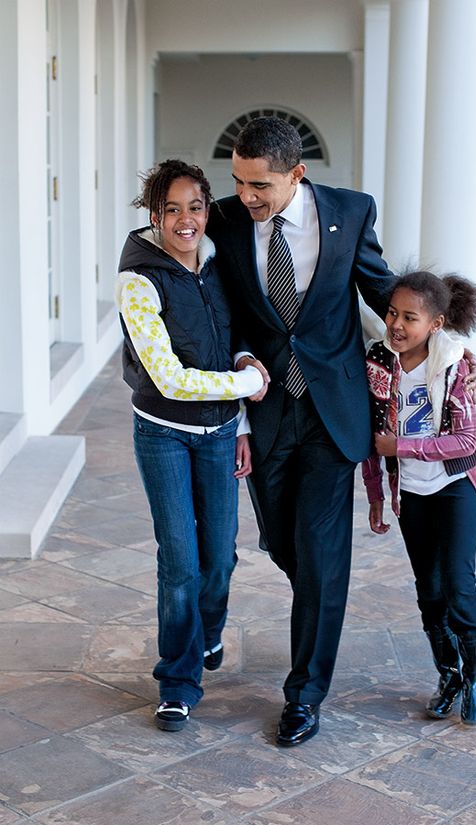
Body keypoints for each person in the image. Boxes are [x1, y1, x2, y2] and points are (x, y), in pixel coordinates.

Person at [207, 116, 397, 746]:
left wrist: (435, 339)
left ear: (297, 173)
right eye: (237, 182)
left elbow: (381, 289)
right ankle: (318, 594)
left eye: (259, 184)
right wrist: (237, 365)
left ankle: (304, 693)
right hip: (265, 410)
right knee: (284, 545)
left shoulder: (351, 212)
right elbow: (225, 311)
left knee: (320, 556)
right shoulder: (230, 221)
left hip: (330, 410)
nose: (245, 196)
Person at [115, 159, 267, 732]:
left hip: (222, 432)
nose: (185, 220)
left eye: (195, 207)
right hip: (163, 433)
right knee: (180, 560)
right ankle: (178, 682)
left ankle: (205, 635)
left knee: (221, 556)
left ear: (208, 210)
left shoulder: (216, 264)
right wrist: (247, 387)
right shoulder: (138, 278)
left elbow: (230, 337)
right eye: (171, 209)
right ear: (154, 215)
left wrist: (241, 415)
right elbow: (170, 378)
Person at [362, 270, 476, 725]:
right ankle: (450, 675)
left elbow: (466, 441)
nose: (397, 325)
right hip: (412, 493)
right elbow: (372, 436)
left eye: (410, 318)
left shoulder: (456, 364)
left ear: (436, 324)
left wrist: (401, 446)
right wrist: (376, 494)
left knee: (459, 584)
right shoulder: (378, 361)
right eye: (392, 314)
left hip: (454, 487)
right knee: (430, 592)